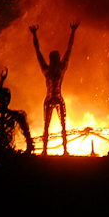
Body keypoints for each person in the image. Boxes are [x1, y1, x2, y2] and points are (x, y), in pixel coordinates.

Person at [29, 21, 79, 156]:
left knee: (62, 125)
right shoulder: (51, 70)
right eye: (55, 58)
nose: (56, 60)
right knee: (47, 125)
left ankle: (64, 150)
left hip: (55, 98)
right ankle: (46, 150)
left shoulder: (55, 70)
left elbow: (69, 49)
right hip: (51, 99)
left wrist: (73, 32)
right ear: (53, 59)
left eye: (56, 58)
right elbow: (38, 52)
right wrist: (34, 35)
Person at [0, 70, 34, 160]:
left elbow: (27, 135)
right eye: (3, 97)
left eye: (7, 97)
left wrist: (28, 150)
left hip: (6, 150)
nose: (5, 99)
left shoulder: (16, 116)